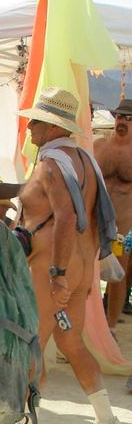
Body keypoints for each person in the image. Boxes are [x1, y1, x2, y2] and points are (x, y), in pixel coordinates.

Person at [0, 87, 126, 424]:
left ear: (51, 126)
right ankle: (107, 420)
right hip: (80, 266)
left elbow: (65, 217)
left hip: (52, 268)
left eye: (35, 121)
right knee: (70, 341)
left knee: (31, 343)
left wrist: (57, 274)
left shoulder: (51, 164)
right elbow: (90, 218)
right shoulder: (84, 160)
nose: (31, 127)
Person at [94, 99, 132, 334]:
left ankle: (111, 329)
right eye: (119, 116)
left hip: (124, 228)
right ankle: (89, 325)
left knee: (118, 277)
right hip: (94, 224)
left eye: (129, 118)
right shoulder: (99, 146)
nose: (123, 121)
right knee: (87, 274)